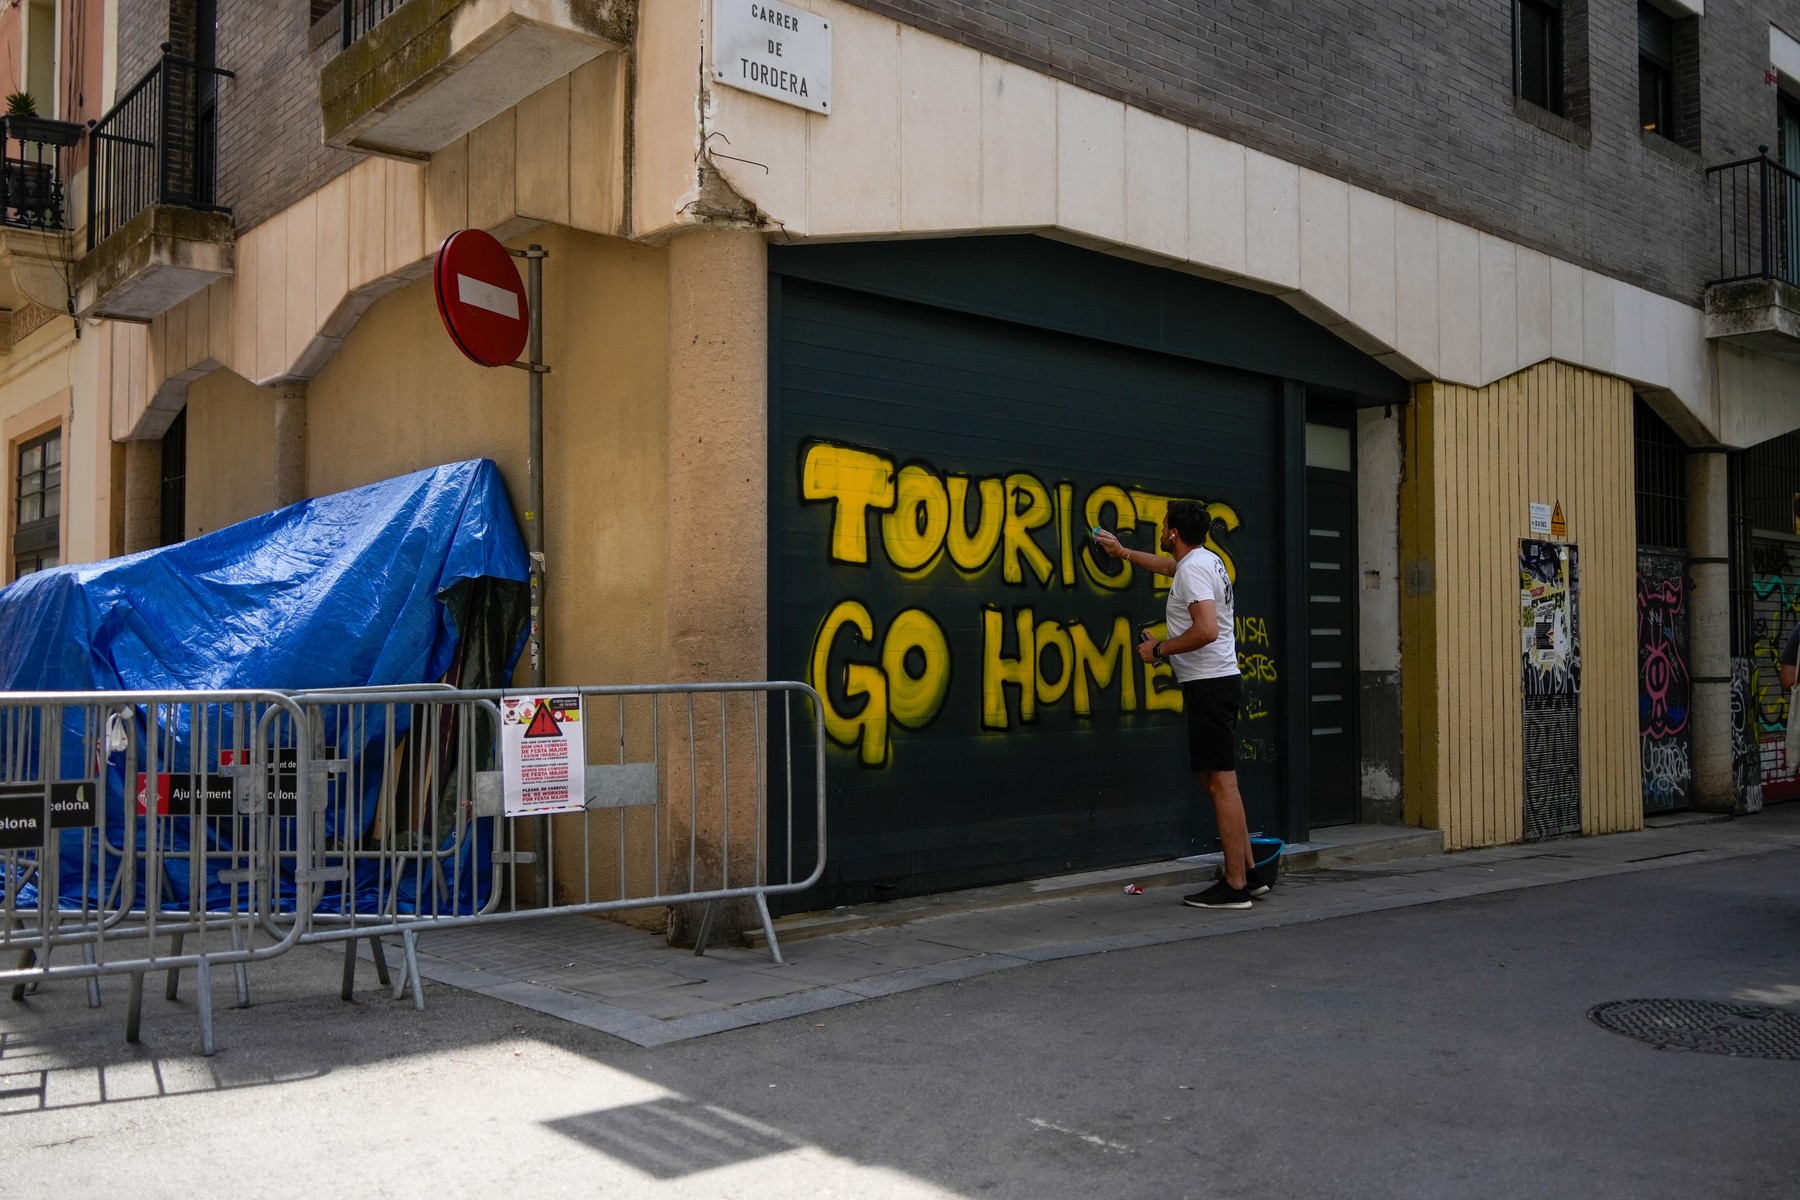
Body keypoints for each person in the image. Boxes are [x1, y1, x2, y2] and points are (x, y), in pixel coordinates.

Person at [1094, 501, 1265, 909]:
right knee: (1218, 782)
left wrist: (1160, 650)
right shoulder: (1203, 561)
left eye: (1163, 524)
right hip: (1215, 683)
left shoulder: (1193, 570)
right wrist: (1123, 553)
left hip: (1210, 685)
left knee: (1221, 783)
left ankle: (1236, 886)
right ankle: (1250, 874)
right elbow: (1166, 568)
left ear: (1173, 532)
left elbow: (1205, 629)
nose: (1160, 527)